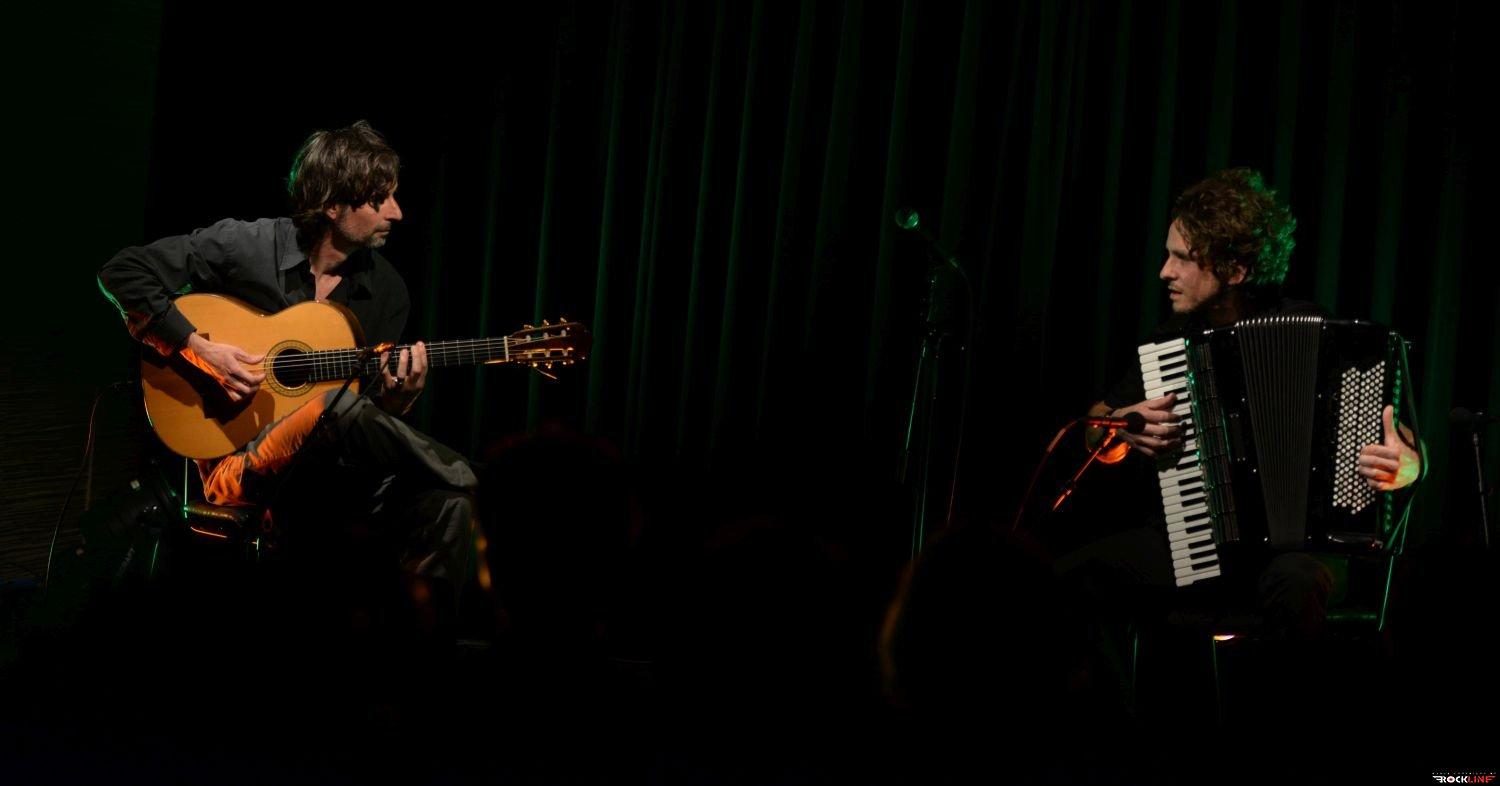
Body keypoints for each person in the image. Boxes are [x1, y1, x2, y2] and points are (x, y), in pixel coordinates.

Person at [98, 120, 476, 596]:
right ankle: (477, 477)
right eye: (379, 200)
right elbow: (122, 272)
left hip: (333, 480)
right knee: (336, 406)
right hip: (239, 468)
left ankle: (423, 629)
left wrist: (398, 402)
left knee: (451, 506)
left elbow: (365, 424)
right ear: (333, 204)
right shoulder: (247, 246)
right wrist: (199, 349)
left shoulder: (387, 291)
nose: (397, 213)